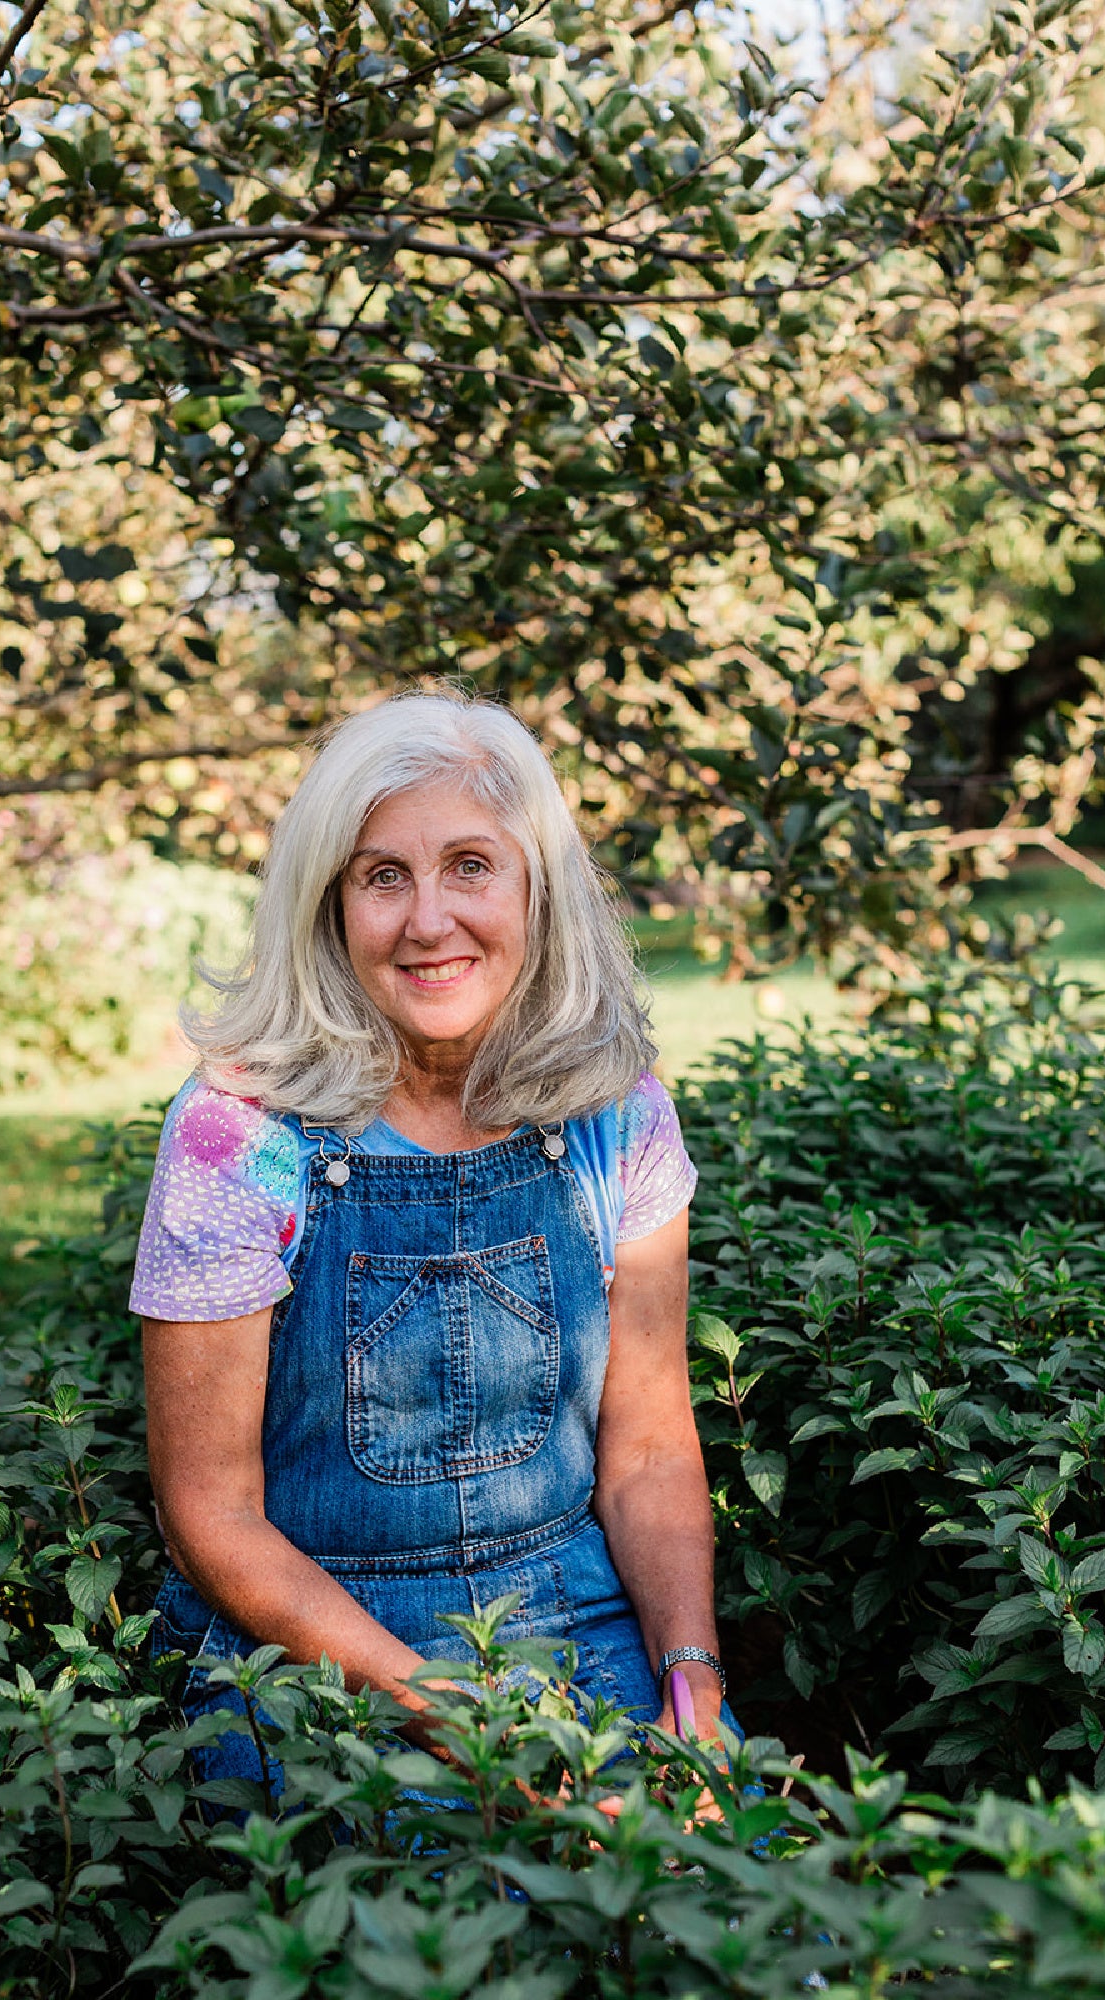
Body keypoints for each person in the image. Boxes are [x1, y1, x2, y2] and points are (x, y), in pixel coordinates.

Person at [131, 691, 728, 1790]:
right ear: (328, 903)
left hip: (577, 1622)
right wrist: (463, 1726)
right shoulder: (238, 1135)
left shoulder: (613, 1110)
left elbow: (645, 1448)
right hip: (316, 1657)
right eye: (381, 875)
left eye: (469, 865)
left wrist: (688, 1676)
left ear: (534, 888)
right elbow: (208, 1516)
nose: (426, 920)